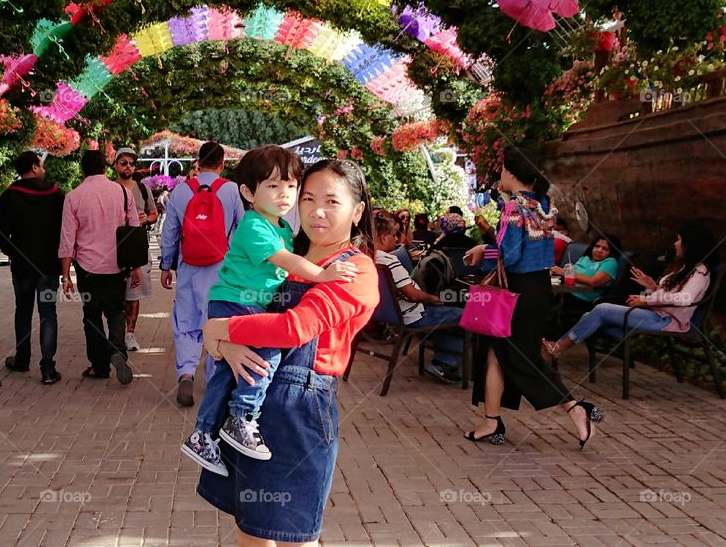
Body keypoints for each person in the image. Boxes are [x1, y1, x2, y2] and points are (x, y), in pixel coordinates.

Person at [197, 159, 379, 546]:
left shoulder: (355, 270)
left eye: (332, 201)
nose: (316, 211)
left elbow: (295, 327)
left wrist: (219, 330)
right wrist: (225, 342)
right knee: (250, 528)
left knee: (295, 536)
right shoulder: (284, 258)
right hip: (250, 407)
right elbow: (239, 302)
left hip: (300, 411)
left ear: (358, 210)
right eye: (308, 198)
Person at [181, 146, 357, 475]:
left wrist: (217, 338)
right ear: (248, 192)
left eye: (291, 186)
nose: (285, 195)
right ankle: (242, 418)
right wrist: (322, 274)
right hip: (236, 300)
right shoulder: (255, 226)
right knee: (266, 357)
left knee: (227, 371)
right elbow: (285, 262)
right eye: (273, 186)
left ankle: (203, 435)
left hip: (243, 302)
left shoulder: (282, 230)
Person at [465, 147, 598, 451]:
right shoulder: (543, 205)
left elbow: (511, 257)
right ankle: (491, 420)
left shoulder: (514, 207)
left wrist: (484, 252)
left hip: (517, 292)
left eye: (502, 170)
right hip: (539, 288)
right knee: (497, 353)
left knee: (521, 357)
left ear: (511, 173)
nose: (500, 176)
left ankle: (575, 408)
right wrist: (487, 249)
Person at [544, 223, 716, 358]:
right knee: (590, 316)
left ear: (690, 245)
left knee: (601, 310)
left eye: (679, 240)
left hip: (666, 321)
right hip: (657, 314)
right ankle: (557, 348)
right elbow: (671, 296)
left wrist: (646, 300)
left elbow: (684, 298)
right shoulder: (686, 268)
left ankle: (557, 348)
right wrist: (651, 286)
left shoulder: (700, 272)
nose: (675, 244)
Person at [160, 141, 244, 408]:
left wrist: (165, 266)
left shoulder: (181, 191)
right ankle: (213, 379)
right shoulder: (231, 190)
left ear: (198, 161)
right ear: (222, 163)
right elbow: (243, 230)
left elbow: (169, 233)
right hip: (223, 272)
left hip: (188, 268)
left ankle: (186, 373)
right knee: (217, 322)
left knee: (186, 322)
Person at [60, 149, 140, 386]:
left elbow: (67, 239)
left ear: (82, 170)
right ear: (106, 168)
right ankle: (118, 350)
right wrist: (135, 267)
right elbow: (134, 231)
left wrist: (65, 276)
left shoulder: (73, 197)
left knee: (91, 316)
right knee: (116, 311)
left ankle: (99, 366)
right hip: (117, 266)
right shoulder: (124, 193)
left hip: (87, 267)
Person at [365, 211, 464, 385]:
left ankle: (442, 359)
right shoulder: (389, 261)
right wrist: (432, 298)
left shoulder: (367, 259)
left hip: (388, 314)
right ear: (382, 238)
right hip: (412, 316)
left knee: (446, 312)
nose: (396, 240)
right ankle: (444, 364)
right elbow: (412, 295)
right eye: (393, 235)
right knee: (462, 314)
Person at [0, 151, 65, 385]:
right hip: (49, 265)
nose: (43, 168)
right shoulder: (57, 195)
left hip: (23, 265)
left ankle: (22, 359)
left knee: (23, 311)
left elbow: (0, 230)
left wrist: (12, 251)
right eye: (41, 164)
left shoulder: (10, 195)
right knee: (48, 314)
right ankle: (48, 368)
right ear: (35, 167)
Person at [112, 147, 158, 352]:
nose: (128, 166)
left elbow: (154, 214)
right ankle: (116, 333)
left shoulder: (142, 188)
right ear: (115, 165)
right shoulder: (109, 188)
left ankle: (129, 333)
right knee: (115, 294)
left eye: (131, 163)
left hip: (137, 246)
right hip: (112, 248)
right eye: (124, 162)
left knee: (134, 293)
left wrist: (146, 219)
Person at [552, 235, 621, 304]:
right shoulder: (585, 258)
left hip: (578, 296)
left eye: (605, 249)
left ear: (612, 252)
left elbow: (594, 282)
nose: (599, 250)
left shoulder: (610, 262)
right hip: (565, 287)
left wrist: (565, 272)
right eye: (597, 246)